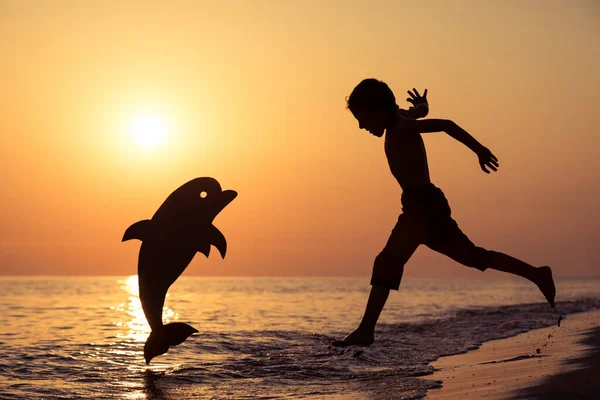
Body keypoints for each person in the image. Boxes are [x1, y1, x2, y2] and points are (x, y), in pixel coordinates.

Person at [333, 78, 556, 347]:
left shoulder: (401, 126)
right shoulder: (402, 117)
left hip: (422, 206)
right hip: (425, 205)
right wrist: (422, 104)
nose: (361, 126)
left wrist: (479, 150)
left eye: (362, 118)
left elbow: (444, 124)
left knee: (387, 262)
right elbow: (422, 112)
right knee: (473, 256)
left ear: (378, 110)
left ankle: (366, 330)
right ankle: (537, 274)